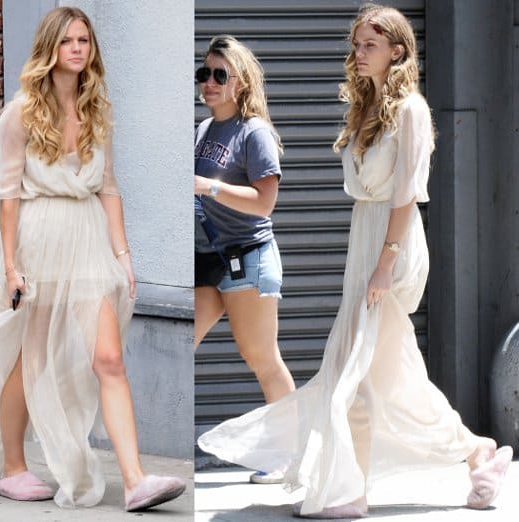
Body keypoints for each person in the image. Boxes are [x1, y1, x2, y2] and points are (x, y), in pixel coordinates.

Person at [198, 5, 512, 518]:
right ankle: (468, 453)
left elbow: (407, 195)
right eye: (357, 44)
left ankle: (356, 488)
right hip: (364, 239)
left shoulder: (410, 109)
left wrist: (385, 265)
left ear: (398, 50)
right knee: (377, 378)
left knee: (354, 374)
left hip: (393, 243)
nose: (358, 53)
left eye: (369, 44)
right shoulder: (366, 109)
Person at [0, 7, 185, 512]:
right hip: (38, 238)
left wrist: (124, 256)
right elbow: (7, 194)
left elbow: (109, 188)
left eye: (84, 40)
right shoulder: (22, 112)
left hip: (88, 239)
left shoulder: (97, 109)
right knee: (29, 356)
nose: (77, 48)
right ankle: (12, 468)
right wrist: (11, 267)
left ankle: (135, 481)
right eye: (67, 40)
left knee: (107, 356)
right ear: (50, 47)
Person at [194, 35, 295, 484]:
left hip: (248, 257)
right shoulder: (203, 129)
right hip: (210, 257)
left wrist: (207, 187)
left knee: (261, 357)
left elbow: (264, 203)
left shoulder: (254, 132)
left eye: (219, 75)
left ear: (240, 81)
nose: (209, 82)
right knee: (184, 342)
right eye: (204, 73)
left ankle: (288, 454)